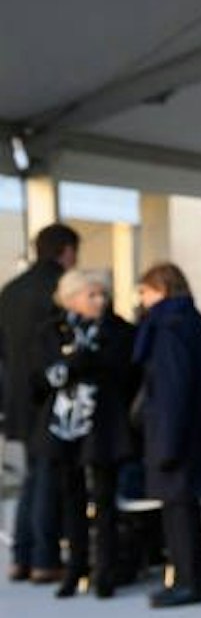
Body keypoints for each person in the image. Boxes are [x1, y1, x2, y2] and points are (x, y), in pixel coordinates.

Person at [33, 269, 136, 598]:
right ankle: (75, 567)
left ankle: (105, 571)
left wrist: (81, 362)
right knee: (70, 498)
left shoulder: (117, 330)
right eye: (91, 295)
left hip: (103, 424)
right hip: (64, 426)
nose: (99, 301)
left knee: (105, 499)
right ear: (71, 298)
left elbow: (122, 370)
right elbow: (40, 377)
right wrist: (74, 364)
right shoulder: (52, 331)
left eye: (102, 294)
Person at [133, 263, 201, 609]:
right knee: (181, 511)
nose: (141, 301)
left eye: (144, 292)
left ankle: (188, 584)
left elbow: (172, 388)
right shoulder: (192, 320)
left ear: (160, 288)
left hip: (175, 436)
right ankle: (187, 581)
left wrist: (167, 444)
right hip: (195, 433)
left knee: (178, 514)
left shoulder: (168, 325)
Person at [1, 223, 80, 582]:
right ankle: (44, 559)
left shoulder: (11, 291)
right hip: (48, 398)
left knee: (34, 477)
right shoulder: (58, 290)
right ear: (67, 251)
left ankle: (21, 555)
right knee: (48, 477)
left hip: (18, 399)